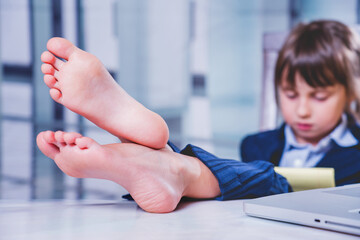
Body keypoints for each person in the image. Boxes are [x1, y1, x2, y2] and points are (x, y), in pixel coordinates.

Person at [37, 20, 360, 213]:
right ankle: (163, 163)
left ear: (350, 93)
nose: (303, 109)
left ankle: (165, 163)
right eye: (291, 94)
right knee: (257, 177)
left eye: (319, 97)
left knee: (273, 180)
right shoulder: (257, 145)